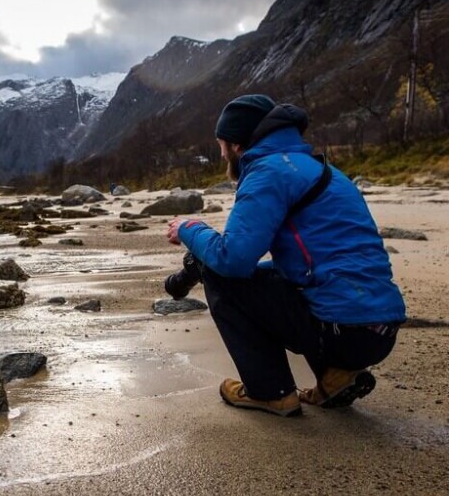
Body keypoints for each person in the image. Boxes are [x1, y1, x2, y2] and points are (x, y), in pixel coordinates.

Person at [165, 94, 406, 417]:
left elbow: (233, 260)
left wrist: (188, 227)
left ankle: (269, 391)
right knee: (277, 279)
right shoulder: (320, 170)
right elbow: (305, 263)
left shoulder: (268, 172)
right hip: (378, 328)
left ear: (238, 145)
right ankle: (335, 378)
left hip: (342, 331)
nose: (222, 154)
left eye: (222, 145)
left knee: (219, 275)